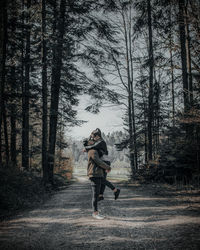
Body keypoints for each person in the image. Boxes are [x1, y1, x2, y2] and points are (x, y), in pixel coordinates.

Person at [84, 128, 120, 219]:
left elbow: (92, 147)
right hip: (101, 165)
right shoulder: (94, 148)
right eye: (91, 139)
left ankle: (102, 194)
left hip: (105, 163)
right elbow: (94, 153)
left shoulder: (101, 142)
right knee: (102, 180)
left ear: (97, 136)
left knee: (102, 180)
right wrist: (87, 147)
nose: (92, 139)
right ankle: (106, 193)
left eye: (93, 137)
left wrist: (86, 148)